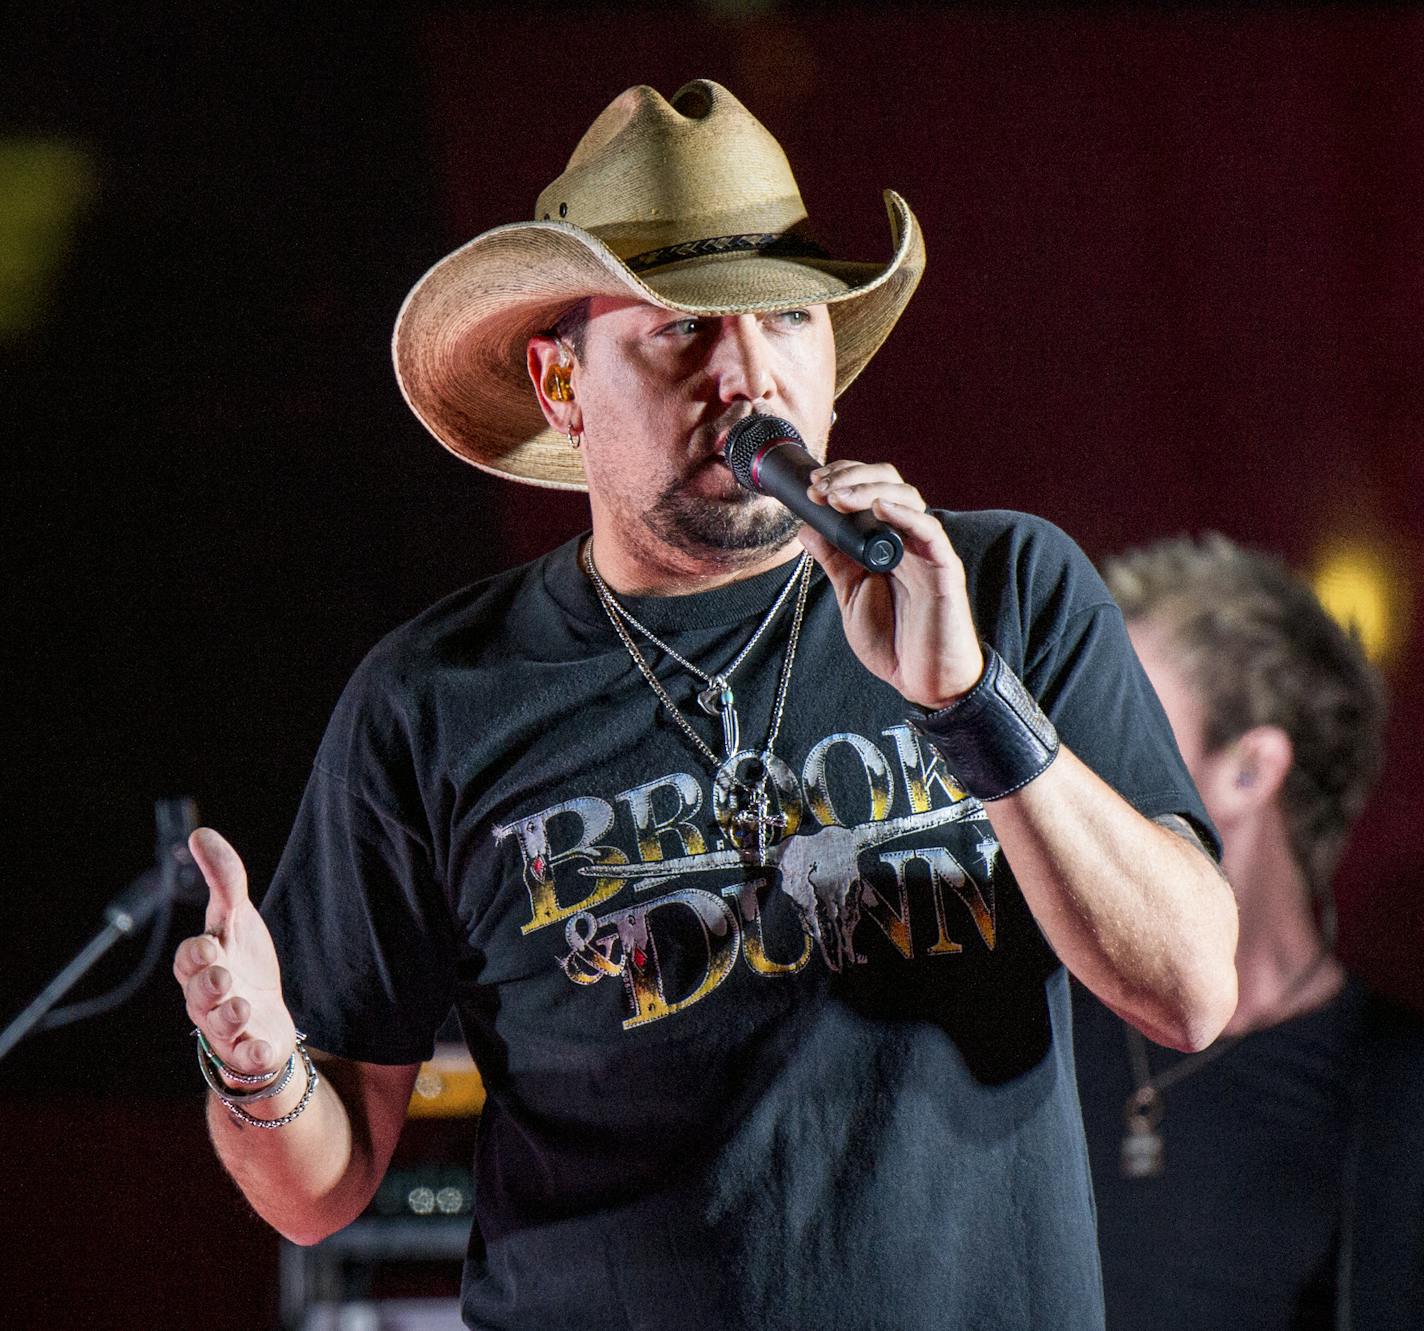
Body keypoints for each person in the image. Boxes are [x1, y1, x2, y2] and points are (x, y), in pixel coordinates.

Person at [173, 80, 1237, 1330]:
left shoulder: (1001, 589)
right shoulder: (432, 699)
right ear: (561, 385)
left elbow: (1187, 989)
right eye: (680, 330)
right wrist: (256, 1069)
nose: (747, 375)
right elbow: (318, 1188)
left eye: (785, 315)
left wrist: (967, 703)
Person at [1073, 533, 1424, 1329]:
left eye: (1121, 714)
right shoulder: (1038, 1023)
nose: (1075, 757)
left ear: (1248, 771)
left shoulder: (1396, 1091)